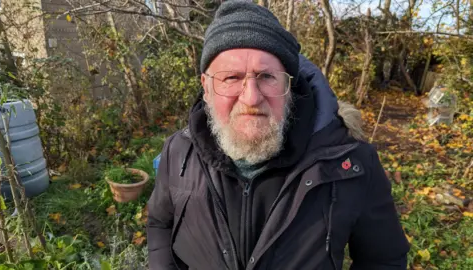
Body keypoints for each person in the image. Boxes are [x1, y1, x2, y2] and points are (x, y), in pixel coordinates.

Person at [147, 1, 410, 269]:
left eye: (266, 76)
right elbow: (160, 223)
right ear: (207, 86)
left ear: (289, 83)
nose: (251, 97)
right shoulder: (178, 152)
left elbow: (384, 259)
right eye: (231, 78)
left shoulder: (350, 164)